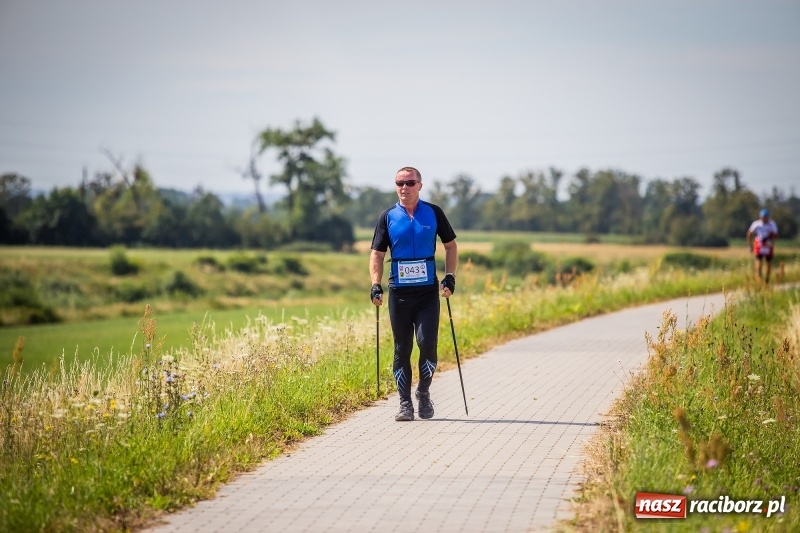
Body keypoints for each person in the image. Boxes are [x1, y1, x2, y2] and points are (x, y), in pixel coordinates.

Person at [369, 166, 458, 421]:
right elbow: (377, 253)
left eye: (409, 182)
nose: (404, 187)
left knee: (427, 343)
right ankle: (405, 403)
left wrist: (450, 277)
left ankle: (424, 392)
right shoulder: (388, 217)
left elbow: (450, 246)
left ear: (420, 185)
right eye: (399, 183)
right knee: (402, 347)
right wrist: (376, 284)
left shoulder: (434, 213)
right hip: (399, 294)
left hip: (427, 293)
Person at [746, 208, 779, 283]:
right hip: (759, 244)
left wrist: (772, 237)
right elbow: (749, 233)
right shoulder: (756, 224)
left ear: (768, 217)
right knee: (758, 263)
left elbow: (776, 236)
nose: (764, 219)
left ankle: (767, 280)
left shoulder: (772, 224)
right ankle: (759, 280)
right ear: (760, 217)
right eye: (762, 217)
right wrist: (750, 245)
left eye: (765, 217)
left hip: (768, 245)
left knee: (769, 264)